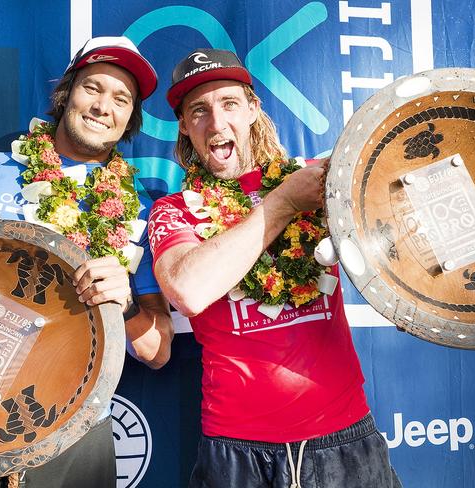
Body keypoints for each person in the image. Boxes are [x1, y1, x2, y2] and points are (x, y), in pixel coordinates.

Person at [0, 36, 173, 488]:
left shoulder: (140, 209)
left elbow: (157, 352)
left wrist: (127, 306)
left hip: (73, 426)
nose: (102, 107)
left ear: (130, 118)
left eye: (121, 98)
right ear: (66, 92)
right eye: (92, 88)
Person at [148, 48, 401, 487]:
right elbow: (188, 291)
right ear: (186, 127)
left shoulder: (314, 180)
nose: (216, 122)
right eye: (199, 111)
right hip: (237, 451)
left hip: (343, 437)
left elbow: (400, 231)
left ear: (252, 109)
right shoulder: (174, 210)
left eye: (229, 103)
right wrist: (282, 203)